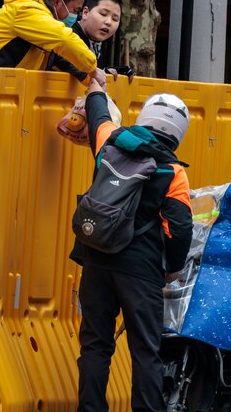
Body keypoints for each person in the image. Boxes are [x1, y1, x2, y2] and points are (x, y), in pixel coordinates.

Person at [72, 79, 194, 411]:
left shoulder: (110, 143)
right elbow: (180, 228)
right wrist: (172, 268)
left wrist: (96, 85)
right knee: (145, 350)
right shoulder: (172, 171)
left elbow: (98, 114)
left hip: (97, 259)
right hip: (141, 271)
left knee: (95, 345)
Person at [44, 0, 133, 82]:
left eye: (115, 19)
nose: (108, 22)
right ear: (85, 13)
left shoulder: (96, 43)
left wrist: (107, 72)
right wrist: (95, 72)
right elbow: (61, 61)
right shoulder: (67, 33)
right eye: (103, 14)